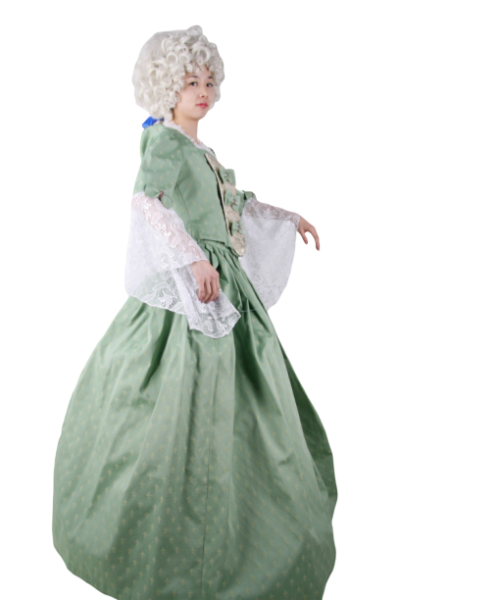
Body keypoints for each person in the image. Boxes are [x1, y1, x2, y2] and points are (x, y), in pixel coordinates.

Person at [51, 24, 337, 600]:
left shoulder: (202, 151)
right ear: (166, 87)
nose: (202, 91)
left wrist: (289, 217)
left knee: (248, 398)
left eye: (209, 81)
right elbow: (147, 203)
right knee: (167, 398)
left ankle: (251, 521)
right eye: (190, 82)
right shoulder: (163, 143)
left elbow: (232, 205)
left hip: (222, 279)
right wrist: (192, 260)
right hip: (193, 283)